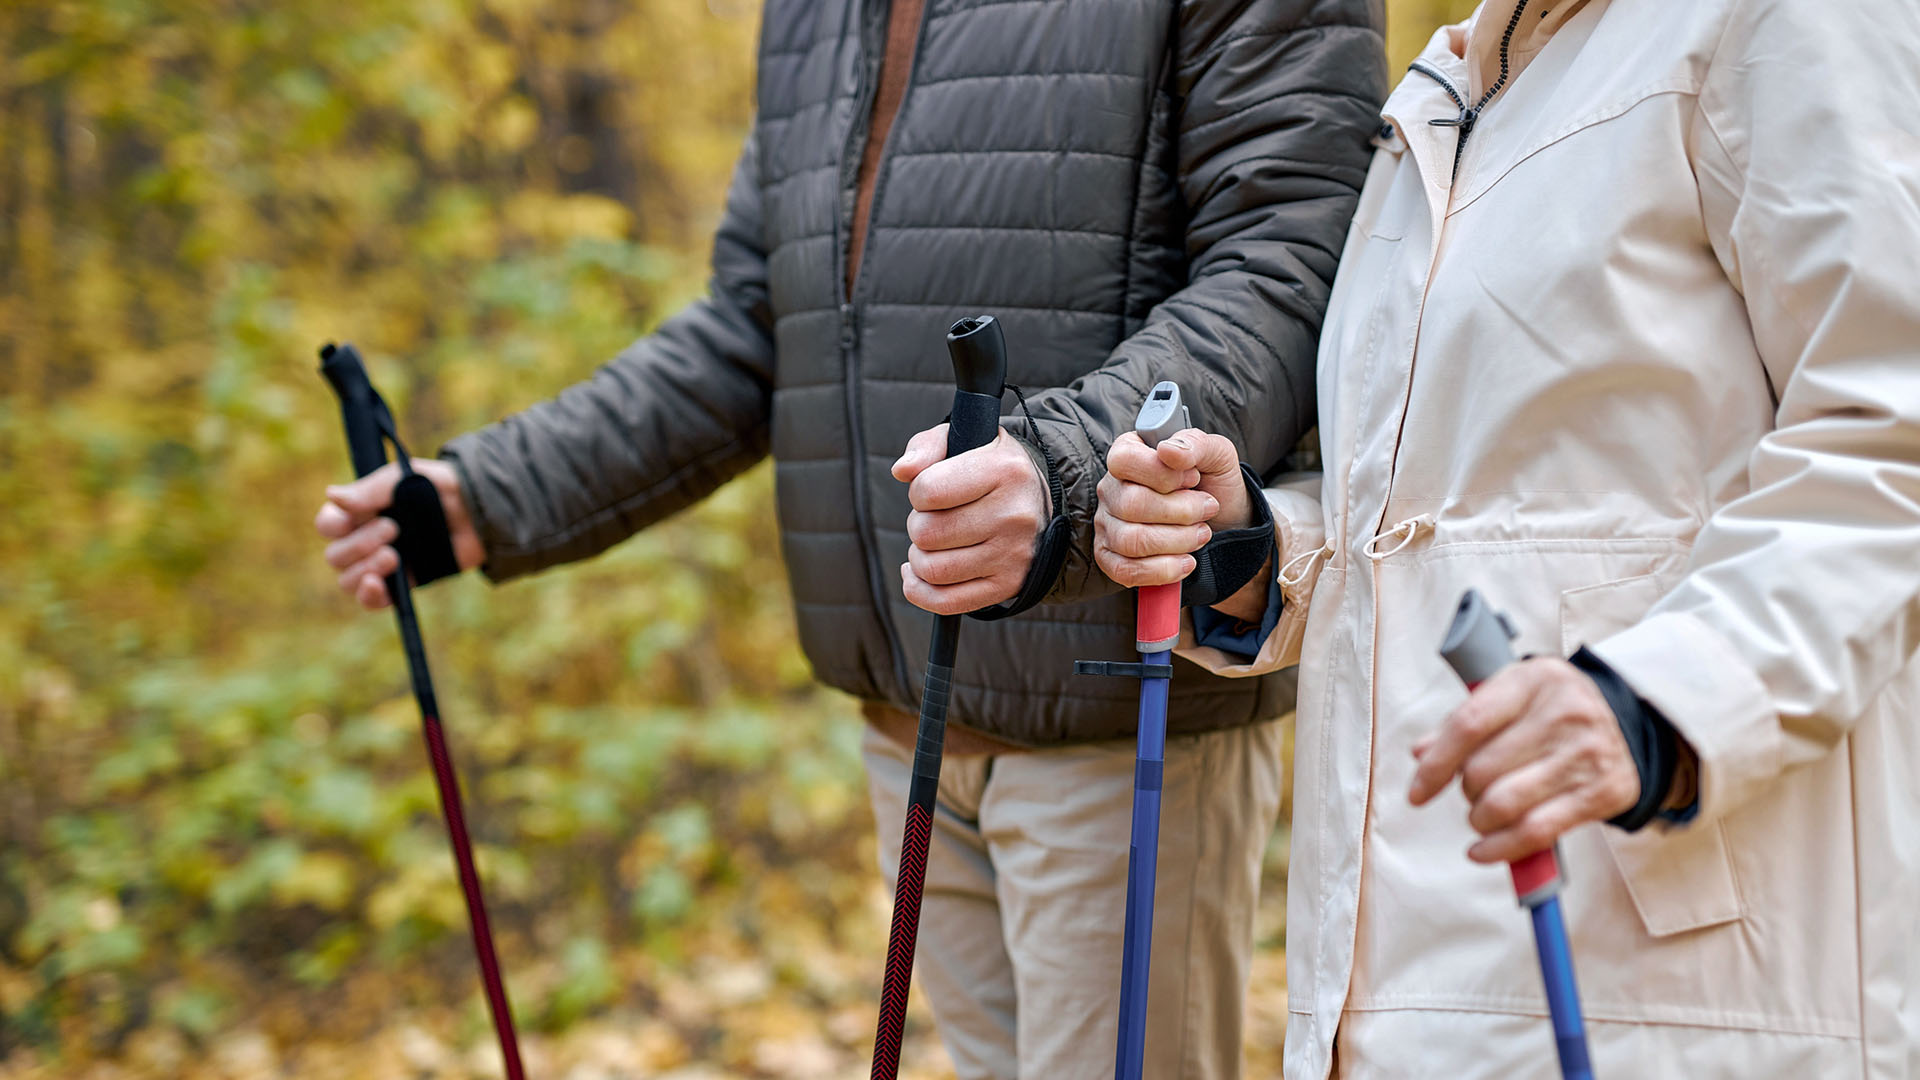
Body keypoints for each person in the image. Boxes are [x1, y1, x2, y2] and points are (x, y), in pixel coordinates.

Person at [313, 0, 1386, 1075]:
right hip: (912, 721)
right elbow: (754, 323)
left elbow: (1291, 258)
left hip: (1123, 696)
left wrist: (1058, 473)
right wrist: (488, 496)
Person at [1094, 0, 1920, 1076]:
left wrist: (1660, 702)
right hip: (1398, 978)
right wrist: (1253, 547)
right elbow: (1460, 514)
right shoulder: (1449, 87)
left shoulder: (1791, 21)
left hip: (1679, 981)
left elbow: (1889, 438)